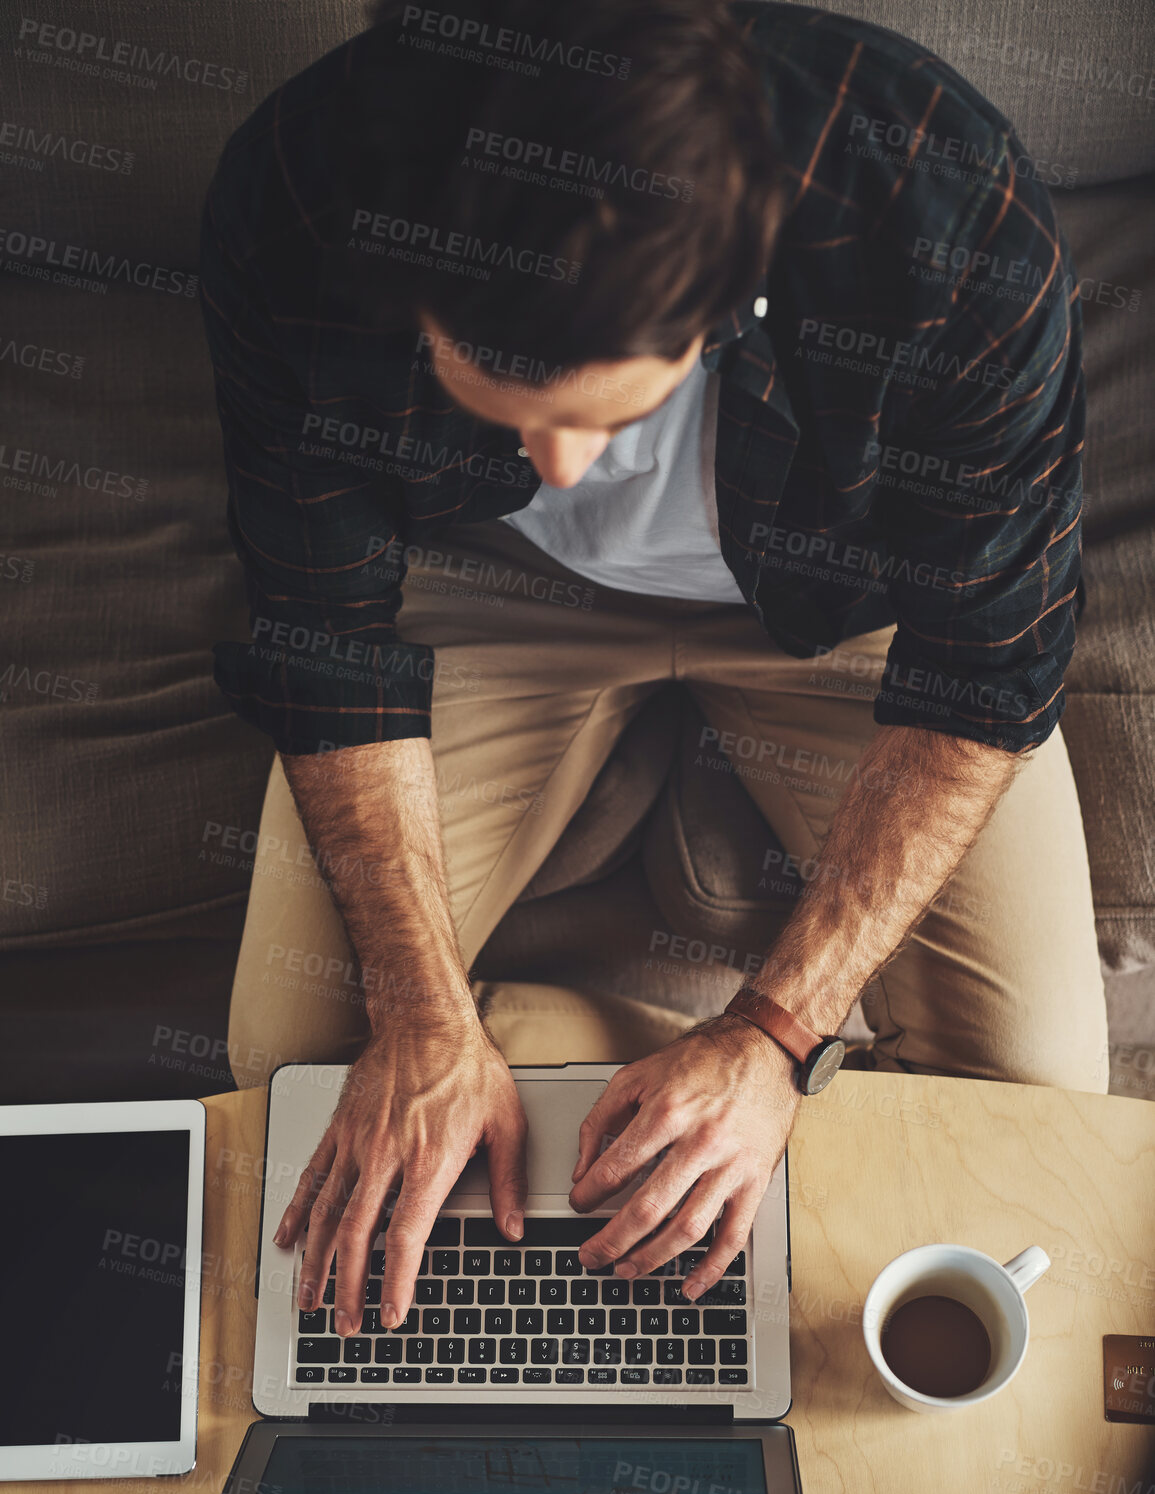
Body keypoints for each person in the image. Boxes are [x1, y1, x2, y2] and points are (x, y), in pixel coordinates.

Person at [199, 0, 1108, 1342]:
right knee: (294, 1078)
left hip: (852, 602)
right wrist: (425, 1019)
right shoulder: (300, 187)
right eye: (505, 406)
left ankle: (703, 1094)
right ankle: (532, 1060)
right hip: (486, 592)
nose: (563, 468)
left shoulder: (947, 208)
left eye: (603, 411)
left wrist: (775, 1035)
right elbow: (325, 628)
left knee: (1036, 1092)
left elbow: (988, 667)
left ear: (730, 287)